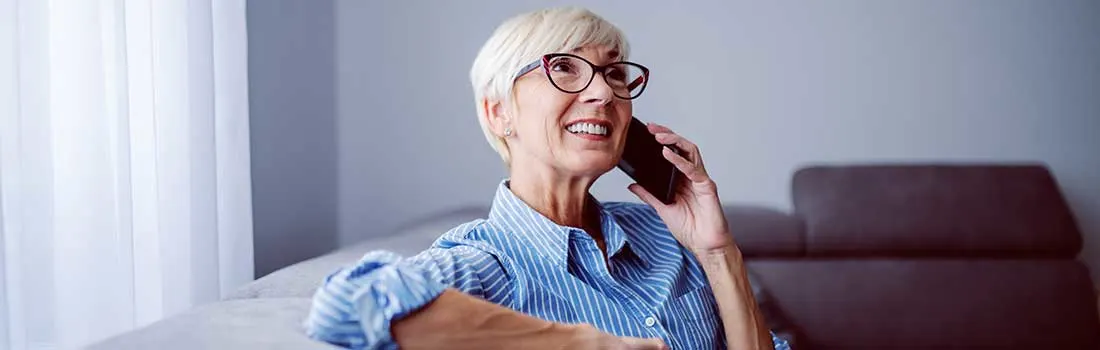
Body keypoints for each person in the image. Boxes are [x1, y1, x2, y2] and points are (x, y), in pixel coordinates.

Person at [304, 6, 791, 350]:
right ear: (498, 114)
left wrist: (717, 252)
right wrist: (578, 344)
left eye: (615, 73)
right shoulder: (484, 263)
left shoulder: (666, 235)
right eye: (563, 67)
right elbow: (345, 306)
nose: (602, 92)